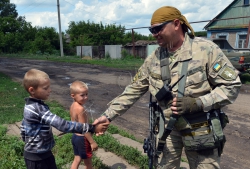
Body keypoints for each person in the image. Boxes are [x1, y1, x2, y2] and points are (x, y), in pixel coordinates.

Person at [94, 6, 242, 169]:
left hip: (201, 128)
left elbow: (231, 86)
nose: (154, 34)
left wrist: (198, 103)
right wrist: (107, 116)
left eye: (158, 28)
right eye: (152, 30)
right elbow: (133, 90)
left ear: (177, 24)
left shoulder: (206, 50)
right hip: (168, 130)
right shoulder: (155, 58)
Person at [20, 69, 108, 169]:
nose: (50, 90)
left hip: (44, 152)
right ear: (32, 90)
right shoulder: (37, 108)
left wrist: (28, 141)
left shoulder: (31, 105)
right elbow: (62, 125)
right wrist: (92, 128)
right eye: (45, 88)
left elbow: (23, 127)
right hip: (37, 158)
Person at [69, 80, 97, 169]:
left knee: (77, 159)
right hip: (83, 139)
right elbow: (84, 129)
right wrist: (92, 142)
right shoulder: (80, 109)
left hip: (75, 137)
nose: (85, 97)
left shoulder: (73, 105)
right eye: (82, 95)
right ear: (73, 95)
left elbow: (75, 123)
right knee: (88, 163)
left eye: (86, 94)